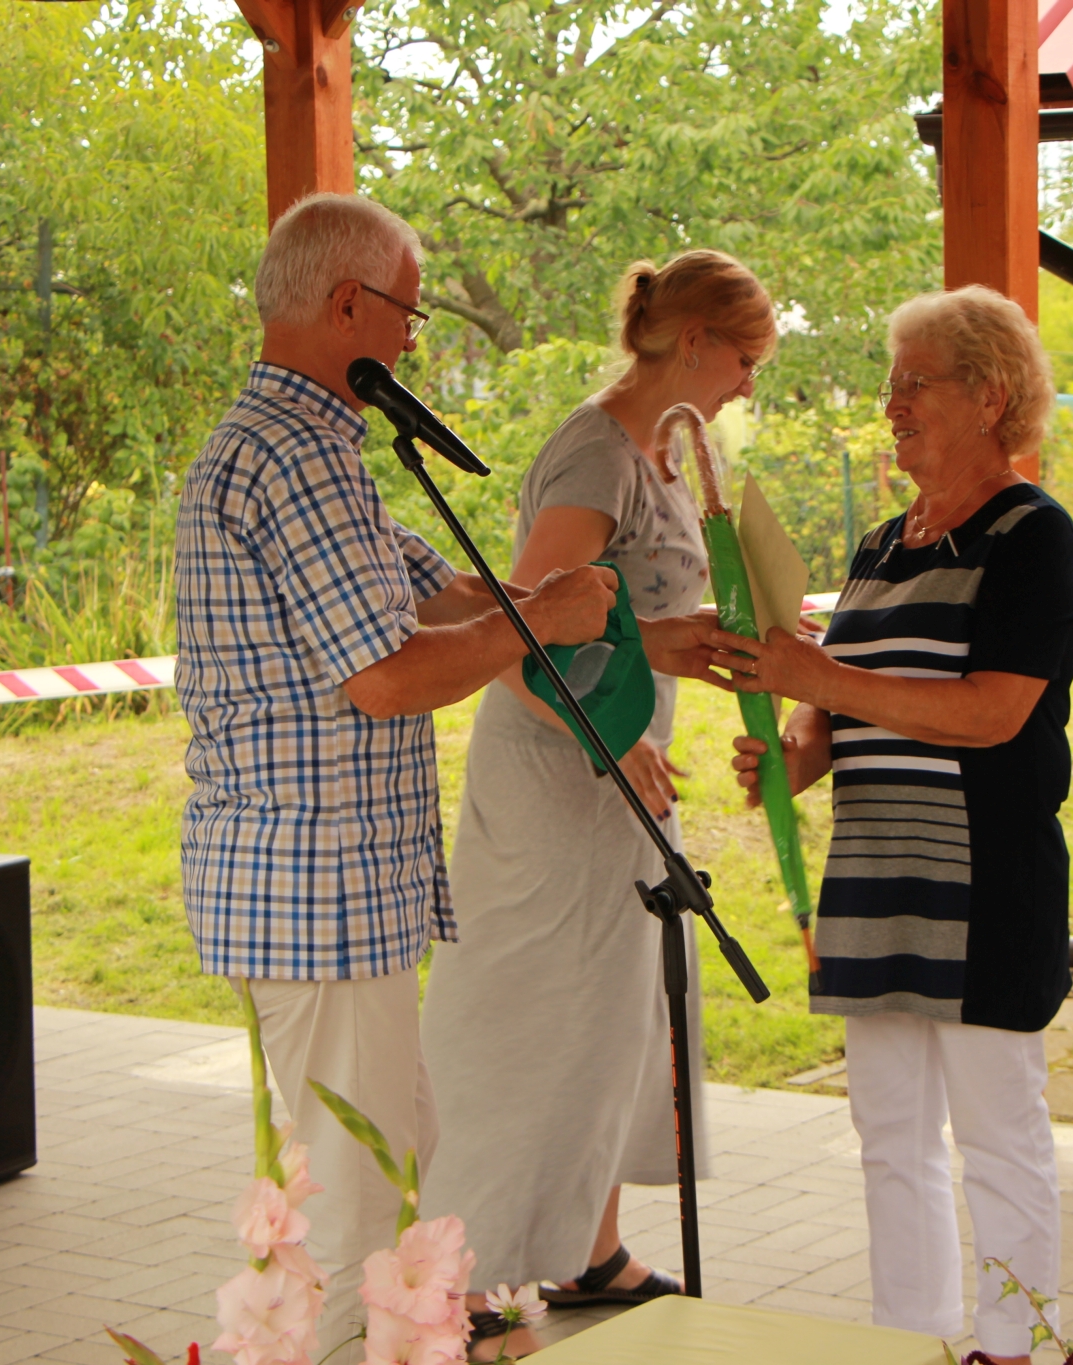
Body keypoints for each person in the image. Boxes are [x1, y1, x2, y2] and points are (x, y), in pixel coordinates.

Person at [176, 193, 711, 1350]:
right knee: (355, 1201)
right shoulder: (293, 457)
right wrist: (545, 617)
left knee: (397, 1165)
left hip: (333, 896)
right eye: (407, 313)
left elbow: (448, 591)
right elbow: (383, 677)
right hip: (312, 894)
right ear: (347, 305)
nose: (413, 340)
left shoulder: (317, 448)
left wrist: (593, 620)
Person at [717, 285, 1073, 1365]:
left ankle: (1011, 1349)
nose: (891, 405)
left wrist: (819, 678)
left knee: (997, 1137)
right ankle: (909, 1345)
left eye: (913, 383)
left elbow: (992, 713)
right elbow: (830, 718)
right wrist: (788, 757)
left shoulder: (1032, 535)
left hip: (983, 888)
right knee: (888, 1138)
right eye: (892, 385)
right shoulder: (880, 546)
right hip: (874, 883)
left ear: (990, 395)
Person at [419, 250, 776, 1358]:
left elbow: (619, 619)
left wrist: (689, 639)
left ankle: (589, 1251)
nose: (749, 384)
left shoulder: (662, 453)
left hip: (622, 776)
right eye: (747, 358)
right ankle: (463, 1282)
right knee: (532, 1027)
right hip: (556, 783)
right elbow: (527, 633)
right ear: (695, 341)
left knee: (616, 1024)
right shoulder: (593, 454)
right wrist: (617, 736)